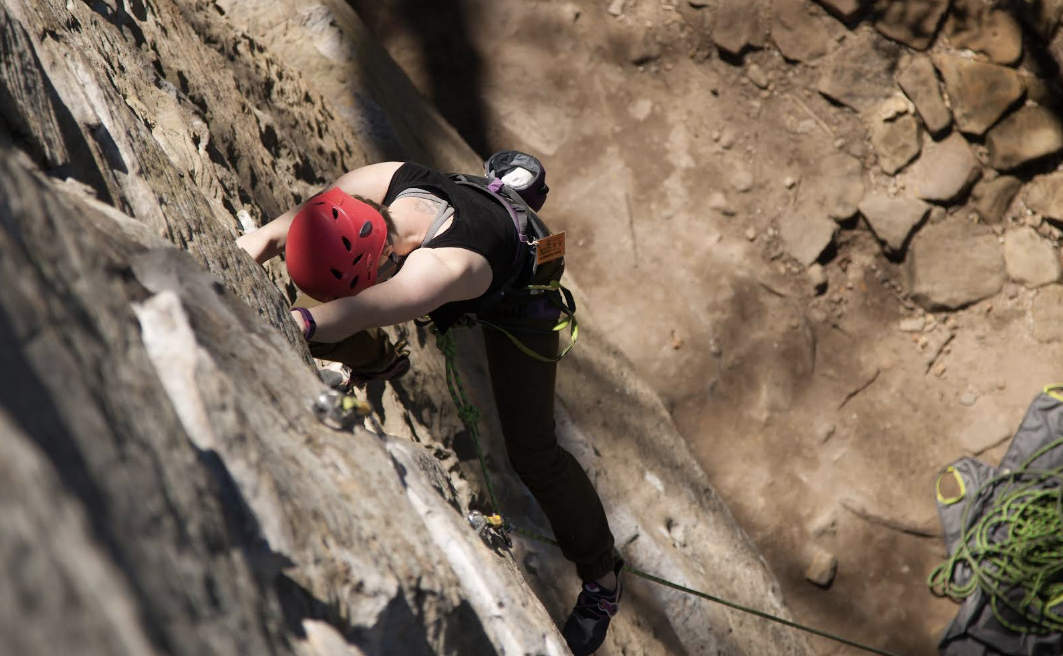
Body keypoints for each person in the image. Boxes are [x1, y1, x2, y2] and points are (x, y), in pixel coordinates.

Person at [236, 159, 623, 655]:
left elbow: (364, 308)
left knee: (534, 453)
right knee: (330, 319)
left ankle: (602, 581)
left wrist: (300, 324)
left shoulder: (446, 267)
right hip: (466, 226)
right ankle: (375, 362)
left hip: (523, 297)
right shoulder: (369, 189)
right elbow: (270, 236)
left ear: (387, 260)